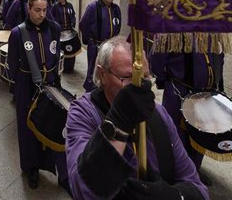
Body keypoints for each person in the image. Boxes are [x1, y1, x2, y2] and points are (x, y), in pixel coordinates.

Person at [65, 36, 208, 200]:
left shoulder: (160, 114)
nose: (139, 86)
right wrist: (118, 122)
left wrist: (172, 195)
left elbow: (197, 188)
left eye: (145, 77)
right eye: (127, 78)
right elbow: (84, 191)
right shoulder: (83, 113)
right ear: (102, 74)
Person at [7, 0, 69, 191]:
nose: (42, 14)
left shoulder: (54, 28)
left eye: (44, 10)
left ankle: (61, 171)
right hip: (27, 85)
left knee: (55, 124)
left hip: (51, 84)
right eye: (37, 10)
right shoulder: (18, 33)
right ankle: (31, 168)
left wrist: (54, 80)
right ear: (29, 9)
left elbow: (55, 54)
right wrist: (21, 86)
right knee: (27, 129)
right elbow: (11, 64)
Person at [150, 41, 225, 174]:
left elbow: (219, 56)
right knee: (177, 135)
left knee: (201, 134)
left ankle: (194, 170)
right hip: (179, 91)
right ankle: (174, 173)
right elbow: (157, 58)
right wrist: (166, 78)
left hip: (205, 94)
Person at [79, 0, 121, 91]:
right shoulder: (93, 7)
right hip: (96, 44)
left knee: (107, 68)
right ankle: (90, 90)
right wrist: (89, 39)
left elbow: (118, 24)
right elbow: (83, 24)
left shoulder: (116, 8)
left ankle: (104, 88)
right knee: (93, 68)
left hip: (109, 45)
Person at [51, 0, 80, 73]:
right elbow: (52, 18)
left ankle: (70, 66)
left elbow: (73, 15)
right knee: (62, 50)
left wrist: (73, 23)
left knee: (71, 49)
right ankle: (62, 66)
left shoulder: (69, 5)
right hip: (60, 32)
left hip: (69, 31)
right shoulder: (55, 6)